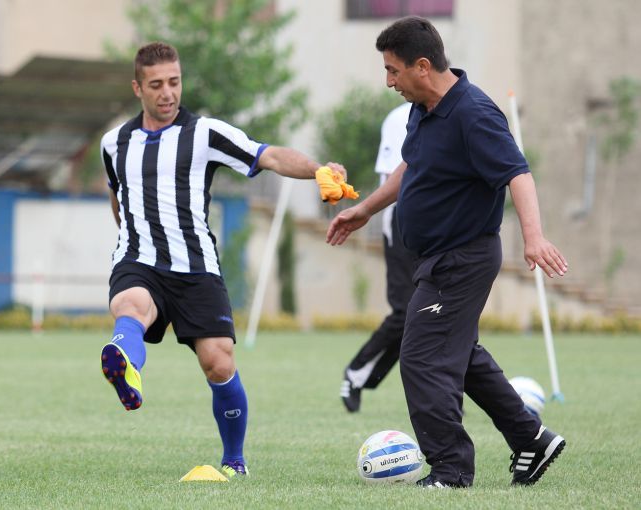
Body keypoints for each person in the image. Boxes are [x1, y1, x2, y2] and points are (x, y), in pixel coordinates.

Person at [327, 17, 568, 488]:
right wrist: (366, 210)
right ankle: (531, 438)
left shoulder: (474, 113)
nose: (388, 81)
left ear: (422, 66)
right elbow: (410, 165)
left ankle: (451, 468)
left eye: (393, 70)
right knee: (460, 354)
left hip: (462, 258)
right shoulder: (423, 108)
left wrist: (534, 237)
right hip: (435, 258)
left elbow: (517, 174)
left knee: (421, 357)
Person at [99, 42, 352, 479]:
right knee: (131, 306)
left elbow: (268, 155)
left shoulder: (205, 133)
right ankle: (126, 366)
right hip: (139, 258)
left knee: (218, 362)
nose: (167, 93)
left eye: (174, 82)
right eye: (156, 85)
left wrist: (317, 170)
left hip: (196, 266)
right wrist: (129, 234)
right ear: (137, 88)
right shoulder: (114, 143)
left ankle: (235, 460)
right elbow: (116, 194)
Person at [340, 101, 416, 413]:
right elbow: (392, 178)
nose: (392, 81)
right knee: (407, 311)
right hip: (403, 219)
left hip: (446, 223)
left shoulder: (460, 110)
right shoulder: (399, 118)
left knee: (442, 312)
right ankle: (357, 373)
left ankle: (446, 392)